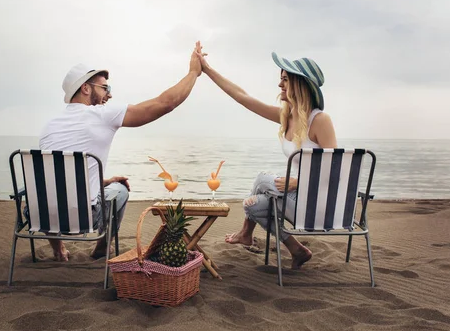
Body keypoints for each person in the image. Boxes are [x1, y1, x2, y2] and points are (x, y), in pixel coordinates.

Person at [39, 43, 203, 261]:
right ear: (86, 89)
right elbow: (166, 103)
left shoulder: (50, 126)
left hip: (39, 215)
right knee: (121, 190)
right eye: (105, 88)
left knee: (51, 194)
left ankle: (58, 250)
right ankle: (100, 249)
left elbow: (58, 178)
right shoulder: (101, 115)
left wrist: (102, 181)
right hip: (84, 217)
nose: (109, 95)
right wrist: (193, 72)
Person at [196, 43, 337, 269]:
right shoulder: (287, 117)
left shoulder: (320, 120)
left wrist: (298, 181)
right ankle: (297, 250)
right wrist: (207, 69)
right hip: (298, 200)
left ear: (300, 84)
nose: (279, 84)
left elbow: (335, 169)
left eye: (285, 79)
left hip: (315, 204)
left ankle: (245, 233)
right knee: (252, 205)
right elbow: (243, 97)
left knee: (262, 179)